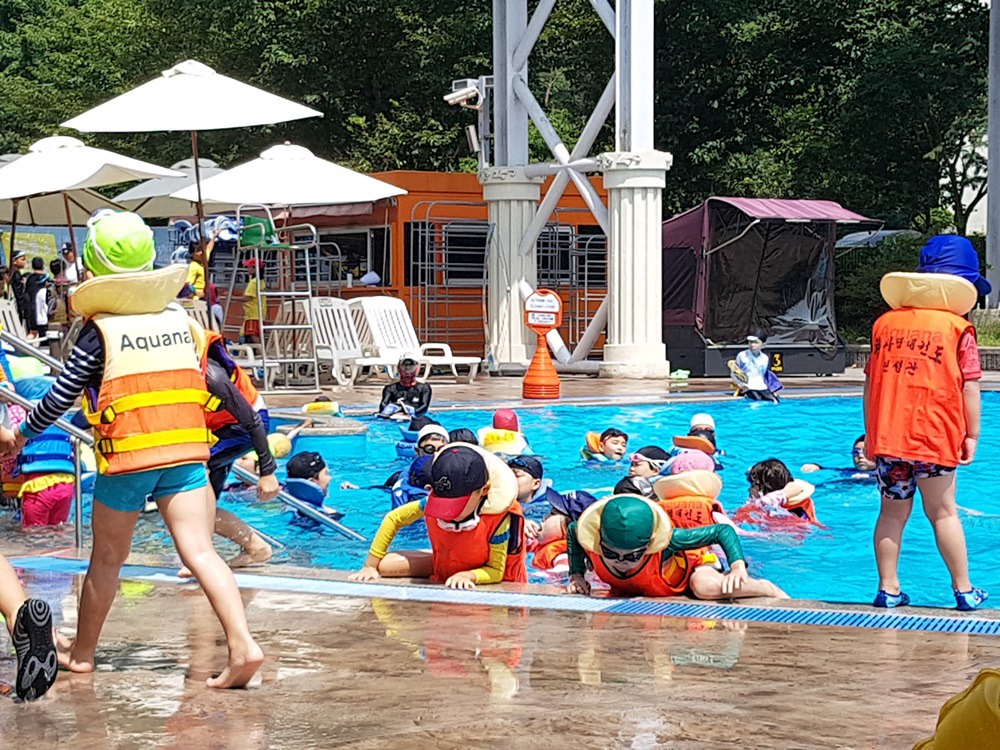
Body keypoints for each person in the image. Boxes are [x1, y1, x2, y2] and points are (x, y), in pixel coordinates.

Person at [1, 210, 262, 687]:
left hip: (129, 458)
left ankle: (82, 654)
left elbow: (60, 398)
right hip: (187, 451)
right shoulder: (179, 319)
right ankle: (243, 643)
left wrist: (21, 435)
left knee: (106, 560)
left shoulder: (100, 331)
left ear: (94, 267)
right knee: (201, 552)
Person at [865, 235, 988, 611]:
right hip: (935, 438)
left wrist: (872, 435)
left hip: (889, 438)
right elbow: (969, 386)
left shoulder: (884, 325)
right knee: (943, 512)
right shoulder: (957, 329)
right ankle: (964, 590)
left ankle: (888, 589)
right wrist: (972, 434)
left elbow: (870, 385)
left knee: (891, 513)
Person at [349, 444, 527, 588]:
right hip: (446, 563)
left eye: (456, 504)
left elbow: (496, 570)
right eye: (443, 502)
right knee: (384, 566)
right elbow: (394, 518)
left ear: (484, 490)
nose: (448, 513)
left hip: (485, 572)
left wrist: (469, 576)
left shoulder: (499, 519)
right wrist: (369, 566)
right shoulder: (429, 502)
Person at [181, 321, 281, 572]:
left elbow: (253, 422)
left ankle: (202, 556)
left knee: (192, 474)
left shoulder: (212, 376)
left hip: (245, 427)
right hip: (217, 429)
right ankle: (256, 548)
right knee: (200, 502)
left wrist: (267, 472)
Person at [566, 494, 787, 600]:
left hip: (696, 567)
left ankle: (767, 588)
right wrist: (576, 575)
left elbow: (722, 531)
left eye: (633, 556)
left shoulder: (668, 541)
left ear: (650, 544)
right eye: (610, 553)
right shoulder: (590, 538)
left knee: (705, 587)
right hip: (643, 586)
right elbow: (573, 530)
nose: (620, 562)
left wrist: (737, 567)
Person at [733, 458, 819, 527]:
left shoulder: (757, 510)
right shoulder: (804, 503)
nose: (749, 489)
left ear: (760, 489)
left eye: (752, 485)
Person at [284, 451, 342, 528]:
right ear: (312, 482)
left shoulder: (287, 505)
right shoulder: (322, 517)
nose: (330, 478)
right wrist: (335, 515)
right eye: (326, 473)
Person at [731, 331, 782, 402]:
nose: (752, 345)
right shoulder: (742, 355)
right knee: (757, 400)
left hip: (762, 386)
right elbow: (733, 373)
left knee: (775, 401)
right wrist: (740, 384)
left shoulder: (765, 358)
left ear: (763, 344)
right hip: (748, 387)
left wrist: (773, 389)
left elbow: (763, 375)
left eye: (756, 342)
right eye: (750, 342)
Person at [377, 354, 431, 419]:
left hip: (415, 419)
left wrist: (411, 413)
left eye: (411, 367)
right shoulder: (390, 388)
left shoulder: (424, 388)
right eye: (404, 367)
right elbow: (383, 405)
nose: (407, 371)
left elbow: (424, 407)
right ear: (399, 368)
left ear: (417, 368)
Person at [801, 435, 877, 480]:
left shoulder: (881, 476)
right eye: (855, 452)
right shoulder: (849, 471)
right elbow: (834, 470)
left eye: (866, 452)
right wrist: (818, 467)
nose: (860, 456)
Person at [24, 257, 51, 340]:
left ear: (32, 266)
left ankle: (22, 345)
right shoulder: (45, 278)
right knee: (45, 337)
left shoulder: (29, 279)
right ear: (43, 265)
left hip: (31, 311)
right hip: (43, 312)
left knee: (32, 332)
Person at [239, 258, 265, 345]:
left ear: (254, 268)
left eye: (249, 267)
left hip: (253, 314)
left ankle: (261, 351)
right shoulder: (261, 281)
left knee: (253, 336)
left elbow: (247, 298)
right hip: (258, 313)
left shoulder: (254, 282)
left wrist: (231, 297)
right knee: (254, 336)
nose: (247, 269)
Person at [7, 249, 29, 327]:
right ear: (14, 261)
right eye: (22, 259)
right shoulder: (16, 274)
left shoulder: (12, 273)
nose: (24, 262)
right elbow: (19, 294)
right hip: (15, 306)